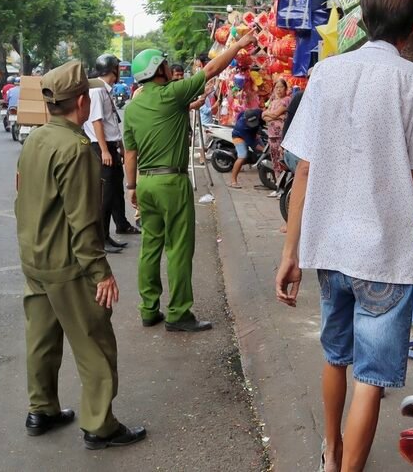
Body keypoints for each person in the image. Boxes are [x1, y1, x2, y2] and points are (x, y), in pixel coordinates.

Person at [274, 0, 413, 472]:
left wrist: (291, 254)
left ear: (364, 18)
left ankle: (330, 458)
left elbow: (304, 168)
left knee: (335, 357)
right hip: (385, 253)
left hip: (329, 246)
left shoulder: (326, 74)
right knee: (370, 380)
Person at [15, 60, 146, 450]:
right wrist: (100, 272)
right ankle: (100, 425)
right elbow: (84, 220)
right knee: (94, 342)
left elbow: (22, 195)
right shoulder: (75, 148)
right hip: (68, 264)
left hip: (34, 257)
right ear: (80, 103)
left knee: (41, 337)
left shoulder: (36, 139)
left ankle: (42, 409)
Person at [122, 32, 256, 332]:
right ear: (159, 69)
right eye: (166, 64)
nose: (171, 68)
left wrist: (131, 187)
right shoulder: (172, 93)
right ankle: (179, 313)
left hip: (145, 183)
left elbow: (130, 154)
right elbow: (210, 70)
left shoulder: (132, 108)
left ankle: (148, 308)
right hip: (172, 182)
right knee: (179, 249)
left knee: (150, 247)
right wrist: (237, 45)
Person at [85, 54, 139, 254]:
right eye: (117, 68)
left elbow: (111, 122)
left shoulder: (106, 90)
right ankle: (101, 238)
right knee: (105, 196)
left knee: (116, 189)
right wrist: (106, 150)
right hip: (102, 147)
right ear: (112, 69)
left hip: (111, 145)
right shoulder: (97, 90)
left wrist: (120, 146)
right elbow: (96, 121)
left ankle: (119, 226)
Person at [263, 78, 292, 198]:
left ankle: (284, 189)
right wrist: (274, 116)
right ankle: (277, 187)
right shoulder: (273, 101)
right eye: (277, 87)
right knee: (275, 161)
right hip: (271, 134)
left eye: (281, 87)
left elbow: (272, 114)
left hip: (280, 134)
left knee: (281, 161)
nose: (279, 90)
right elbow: (263, 115)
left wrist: (272, 115)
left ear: (285, 89)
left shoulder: (287, 100)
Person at [228, 107, 263, 189]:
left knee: (263, 151)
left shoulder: (258, 112)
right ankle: (233, 181)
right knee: (242, 155)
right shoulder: (242, 127)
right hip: (238, 136)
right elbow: (253, 144)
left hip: (253, 134)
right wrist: (265, 150)